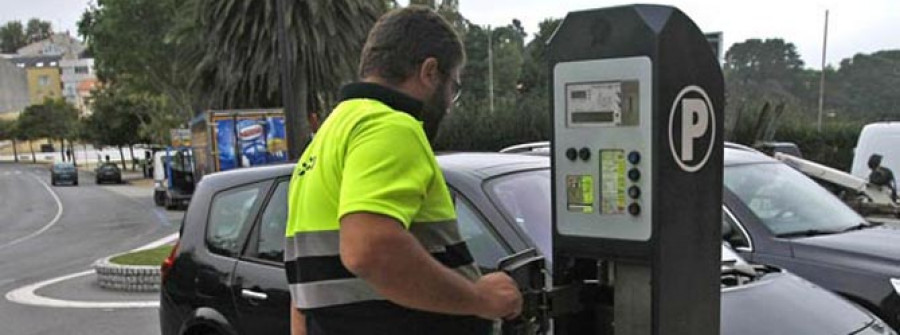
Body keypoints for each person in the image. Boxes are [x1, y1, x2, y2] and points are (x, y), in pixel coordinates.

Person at [284, 6, 522, 335]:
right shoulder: (390, 125)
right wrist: (479, 298)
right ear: (429, 72)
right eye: (453, 86)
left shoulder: (324, 140)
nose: (451, 102)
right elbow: (369, 248)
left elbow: (302, 299)